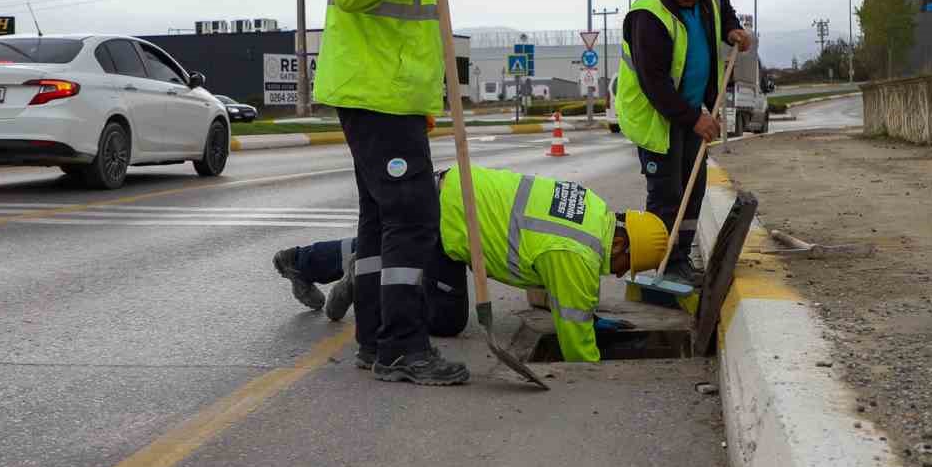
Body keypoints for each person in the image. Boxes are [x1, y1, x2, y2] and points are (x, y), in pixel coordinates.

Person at [303, 0, 478, 386]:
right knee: (414, 219)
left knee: (380, 224)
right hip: (375, 96)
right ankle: (404, 347)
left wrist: (427, 99)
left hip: (391, 99)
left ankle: (376, 342)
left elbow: (410, 31)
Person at [274, 165, 670, 363]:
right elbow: (577, 348)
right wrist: (590, 344)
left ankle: (302, 261)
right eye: (625, 264)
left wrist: (583, 311)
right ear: (620, 241)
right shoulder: (577, 254)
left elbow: (541, 282)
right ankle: (367, 279)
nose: (618, 273)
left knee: (387, 243)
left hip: (450, 188)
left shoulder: (593, 208)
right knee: (446, 320)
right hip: (450, 222)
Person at [615, 0, 751, 286]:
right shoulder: (647, 16)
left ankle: (682, 257)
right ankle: (663, 263)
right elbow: (655, 83)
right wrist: (695, 118)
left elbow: (723, 10)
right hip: (655, 115)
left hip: (691, 108)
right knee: (667, 193)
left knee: (694, 187)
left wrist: (733, 29)